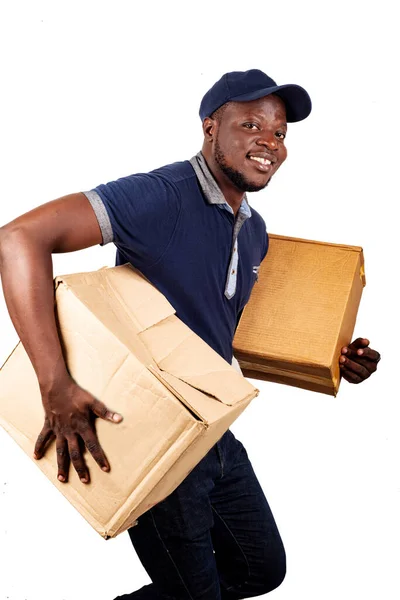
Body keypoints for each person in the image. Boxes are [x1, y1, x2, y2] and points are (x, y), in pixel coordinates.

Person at [0, 69, 381, 599]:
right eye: (251, 125)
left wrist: (334, 361)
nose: (269, 142)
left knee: (259, 570)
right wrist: (54, 383)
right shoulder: (162, 196)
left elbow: (230, 333)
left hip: (212, 427)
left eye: (279, 133)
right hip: (151, 428)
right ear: (210, 128)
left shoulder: (254, 230)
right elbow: (18, 238)